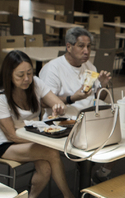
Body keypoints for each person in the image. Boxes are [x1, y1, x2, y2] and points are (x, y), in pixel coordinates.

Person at [0, 50, 79, 198]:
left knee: (46, 168)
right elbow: (11, 135)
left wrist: (59, 107)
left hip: (35, 139)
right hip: (7, 144)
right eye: (20, 75)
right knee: (51, 153)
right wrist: (43, 137)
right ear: (9, 75)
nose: (27, 79)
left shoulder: (35, 83)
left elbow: (57, 103)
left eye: (29, 73)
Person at [38, 26, 113, 182]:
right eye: (81, 46)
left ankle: (101, 173)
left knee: (116, 134)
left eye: (89, 47)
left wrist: (103, 85)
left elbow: (99, 98)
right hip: (62, 122)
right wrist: (73, 98)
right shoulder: (53, 69)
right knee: (100, 139)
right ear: (69, 47)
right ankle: (86, 176)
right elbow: (44, 103)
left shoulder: (90, 67)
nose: (86, 51)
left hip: (87, 120)